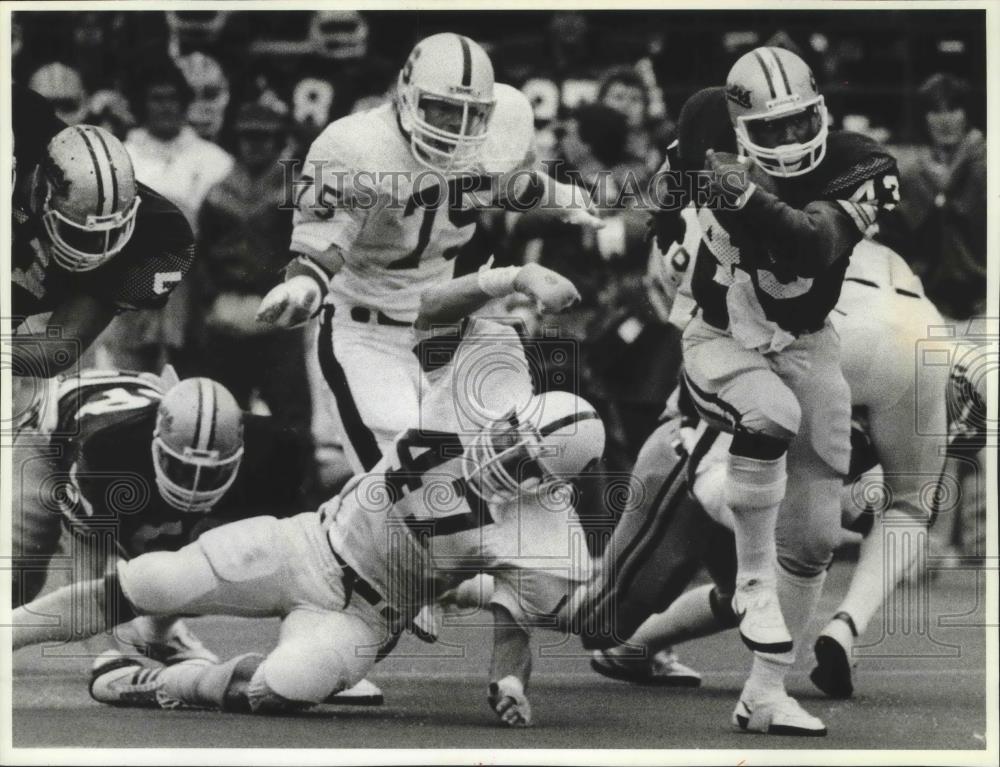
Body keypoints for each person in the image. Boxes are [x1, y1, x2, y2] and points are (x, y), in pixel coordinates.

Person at [13, 268, 605, 724]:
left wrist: (510, 685)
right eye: (511, 437)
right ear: (512, 412)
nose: (505, 454)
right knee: (152, 580)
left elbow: (514, 627)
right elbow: (431, 309)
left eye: (527, 463)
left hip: (368, 614)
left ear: (554, 485)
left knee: (283, 687)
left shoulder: (547, 530)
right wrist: (514, 279)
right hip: (311, 544)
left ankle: (168, 684)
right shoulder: (489, 383)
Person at [582, 228, 951, 708]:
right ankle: (846, 624)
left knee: (751, 552)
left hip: (822, 342)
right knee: (907, 505)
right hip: (923, 332)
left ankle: (739, 674)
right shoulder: (872, 243)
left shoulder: (747, 229)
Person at [649, 47, 900, 735]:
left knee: (818, 534)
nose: (793, 140)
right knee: (770, 415)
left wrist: (739, 190)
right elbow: (668, 182)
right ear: (738, 127)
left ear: (821, 110)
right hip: (720, 335)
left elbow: (810, 245)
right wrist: (666, 236)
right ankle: (734, 577)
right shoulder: (706, 119)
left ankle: (764, 688)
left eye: (801, 123)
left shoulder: (860, 159)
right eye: (774, 129)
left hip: (808, 341)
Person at [255, 31, 603, 476]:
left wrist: (563, 198)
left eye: (470, 114)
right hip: (367, 331)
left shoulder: (501, 128)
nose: (455, 128)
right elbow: (322, 250)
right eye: (441, 108)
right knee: (404, 488)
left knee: (500, 463)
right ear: (406, 95)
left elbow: (516, 183)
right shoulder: (355, 147)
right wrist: (304, 284)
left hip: (445, 321)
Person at [11, 85, 196, 410]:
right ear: (40, 192)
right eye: (74, 232)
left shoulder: (159, 236)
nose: (89, 248)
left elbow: (55, 351)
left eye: (103, 235)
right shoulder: (17, 125)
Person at [95, 56, 234, 373]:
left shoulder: (216, 162)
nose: (166, 107)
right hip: (130, 291)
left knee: (187, 385)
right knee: (133, 386)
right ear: (141, 104)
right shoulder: (118, 157)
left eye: (173, 99)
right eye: (157, 99)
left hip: (194, 295)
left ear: (185, 103)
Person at [195, 101, 311, 439]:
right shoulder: (218, 192)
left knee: (292, 420)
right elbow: (200, 253)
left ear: (278, 140)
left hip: (280, 316)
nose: (255, 145)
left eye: (264, 137)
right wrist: (211, 302)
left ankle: (297, 489)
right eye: (248, 137)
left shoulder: (297, 189)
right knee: (224, 417)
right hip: (229, 315)